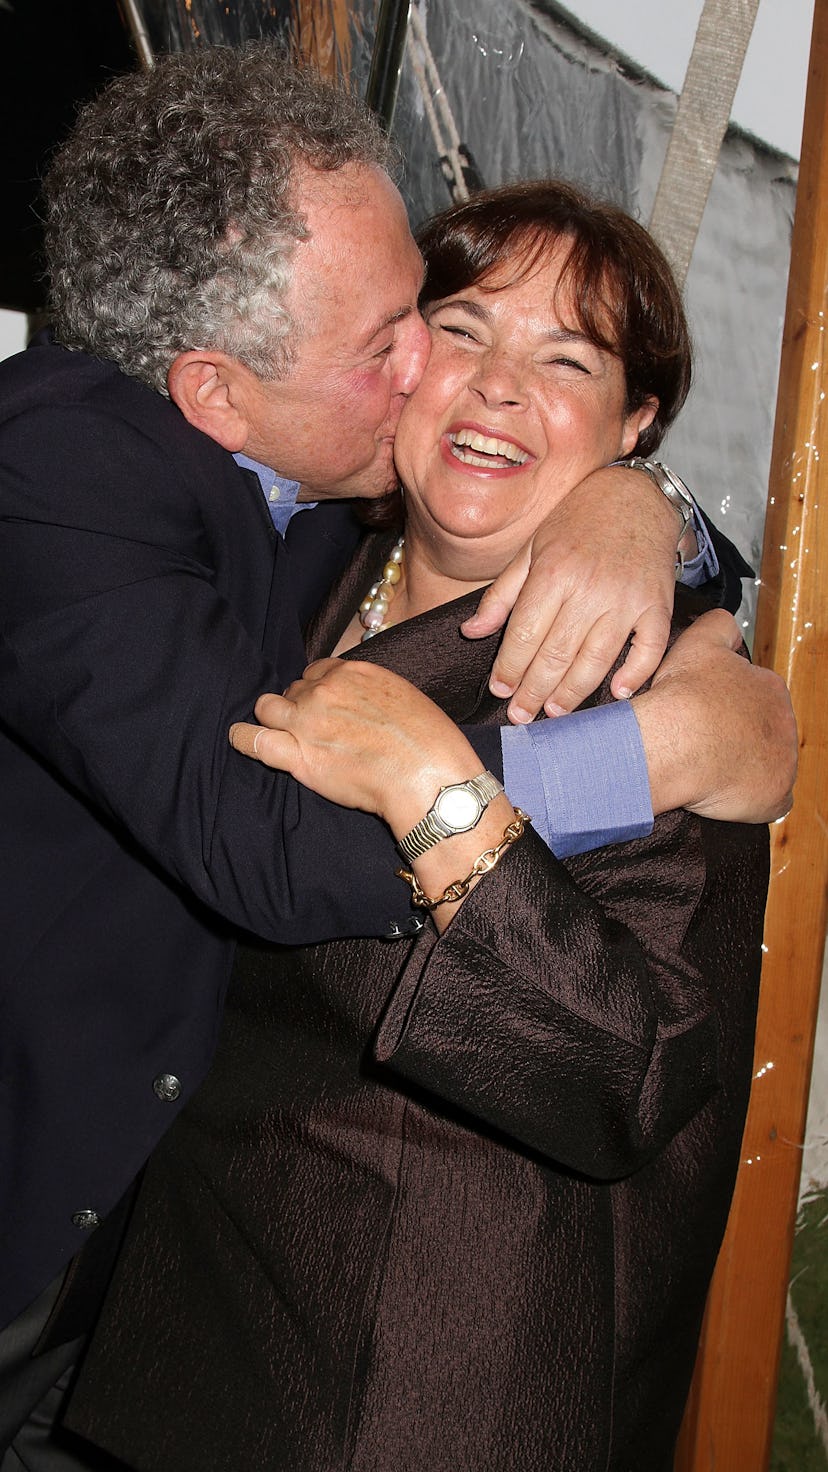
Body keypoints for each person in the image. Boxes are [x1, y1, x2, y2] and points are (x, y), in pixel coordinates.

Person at [61, 180, 777, 1472]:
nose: (499, 386)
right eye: (463, 329)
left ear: (636, 422)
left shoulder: (644, 689)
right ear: (399, 359)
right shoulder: (301, 565)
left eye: (568, 360)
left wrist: (444, 800)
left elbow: (627, 1078)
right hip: (172, 1340)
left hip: (410, 1395)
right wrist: (663, 515)